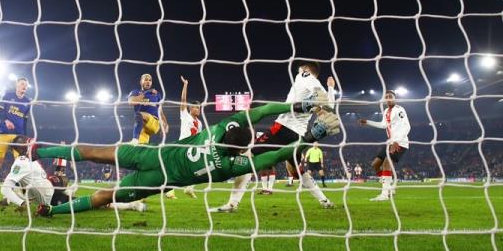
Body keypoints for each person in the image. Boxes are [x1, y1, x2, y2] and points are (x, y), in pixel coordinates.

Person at [30, 102, 340, 217]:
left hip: (152, 154)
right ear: (240, 149)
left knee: (93, 153)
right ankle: (53, 210)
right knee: (105, 197)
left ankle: (39, 151)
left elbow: (259, 112)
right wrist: (311, 135)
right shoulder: (229, 166)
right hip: (157, 181)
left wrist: (296, 105)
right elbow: (276, 153)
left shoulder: (217, 129)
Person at [210, 62, 336, 212]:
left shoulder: (303, 76)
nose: (298, 71)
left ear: (306, 70)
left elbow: (306, 79)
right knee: (297, 171)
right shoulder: (319, 86)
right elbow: (330, 106)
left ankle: (232, 204)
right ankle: (324, 200)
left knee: (247, 159)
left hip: (283, 129)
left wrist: (310, 82)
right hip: (299, 135)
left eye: (301, 69)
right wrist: (330, 88)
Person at [0, 137, 145, 213]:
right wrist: (21, 203)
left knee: (65, 183)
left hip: (54, 192)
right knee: (95, 202)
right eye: (30, 143)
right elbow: (5, 188)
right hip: (53, 200)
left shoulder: (32, 159)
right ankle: (132, 205)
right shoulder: (21, 162)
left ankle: (131, 205)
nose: (34, 144)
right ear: (24, 147)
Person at [359, 90, 410, 201]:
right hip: (390, 141)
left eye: (390, 96)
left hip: (400, 142)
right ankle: (389, 187)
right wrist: (367, 122)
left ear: (394, 98)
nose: (388, 98)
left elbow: (407, 126)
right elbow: (383, 125)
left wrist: (397, 141)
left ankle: (384, 194)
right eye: (386, 97)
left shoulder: (399, 109)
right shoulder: (386, 110)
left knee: (386, 163)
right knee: (375, 164)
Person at [0, 77, 32, 200]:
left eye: (26, 85)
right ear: (17, 85)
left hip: (19, 137)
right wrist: (6, 120)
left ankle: (16, 190)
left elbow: (25, 121)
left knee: (19, 164)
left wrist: (25, 137)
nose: (24, 86)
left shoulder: (27, 101)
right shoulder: (7, 95)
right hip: (4, 134)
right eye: (22, 84)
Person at [176, 75, 202, 199]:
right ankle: (169, 190)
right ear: (191, 108)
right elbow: (183, 100)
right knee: (178, 170)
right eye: (197, 107)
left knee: (199, 169)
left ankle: (189, 188)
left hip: (193, 148)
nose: (199, 110)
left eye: (200, 108)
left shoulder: (200, 123)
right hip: (183, 146)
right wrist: (185, 85)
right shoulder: (185, 115)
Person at [127, 74, 168, 145]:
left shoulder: (157, 94)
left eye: (150, 80)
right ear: (141, 81)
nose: (148, 82)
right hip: (142, 127)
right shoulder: (135, 92)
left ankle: (134, 139)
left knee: (139, 114)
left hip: (154, 122)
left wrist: (166, 124)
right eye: (145, 80)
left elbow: (160, 111)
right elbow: (131, 102)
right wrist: (147, 92)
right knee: (139, 147)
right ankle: (136, 143)